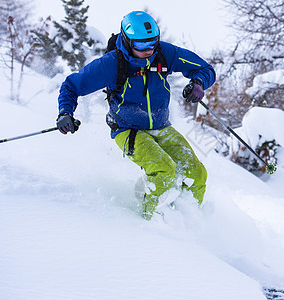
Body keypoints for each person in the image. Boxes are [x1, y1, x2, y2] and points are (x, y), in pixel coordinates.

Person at [56, 11, 216, 220]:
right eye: (141, 45)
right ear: (127, 40)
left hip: (162, 126)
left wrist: (199, 83)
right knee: (164, 170)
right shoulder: (111, 64)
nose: (149, 50)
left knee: (197, 173)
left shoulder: (163, 53)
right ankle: (149, 222)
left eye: (153, 43)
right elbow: (71, 85)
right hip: (127, 129)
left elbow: (205, 68)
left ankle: (188, 219)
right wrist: (65, 113)